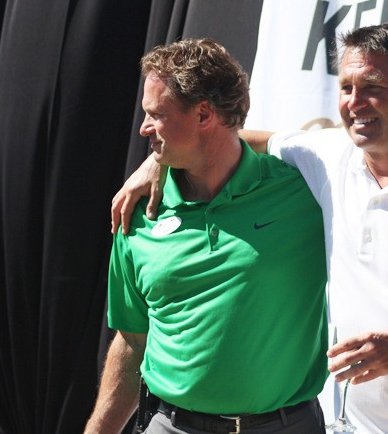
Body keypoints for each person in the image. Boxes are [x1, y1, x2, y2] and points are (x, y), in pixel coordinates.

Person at [115, 23, 388, 433]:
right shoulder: (327, 157)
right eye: (346, 87)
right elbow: (233, 137)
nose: (354, 102)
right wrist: (156, 159)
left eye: (373, 88)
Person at [85, 38, 330, 433]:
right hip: (170, 424)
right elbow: (133, 338)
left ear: (204, 114)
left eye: (156, 115)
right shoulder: (137, 212)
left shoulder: (304, 192)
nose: (143, 127)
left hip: (287, 424)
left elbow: (382, 149)